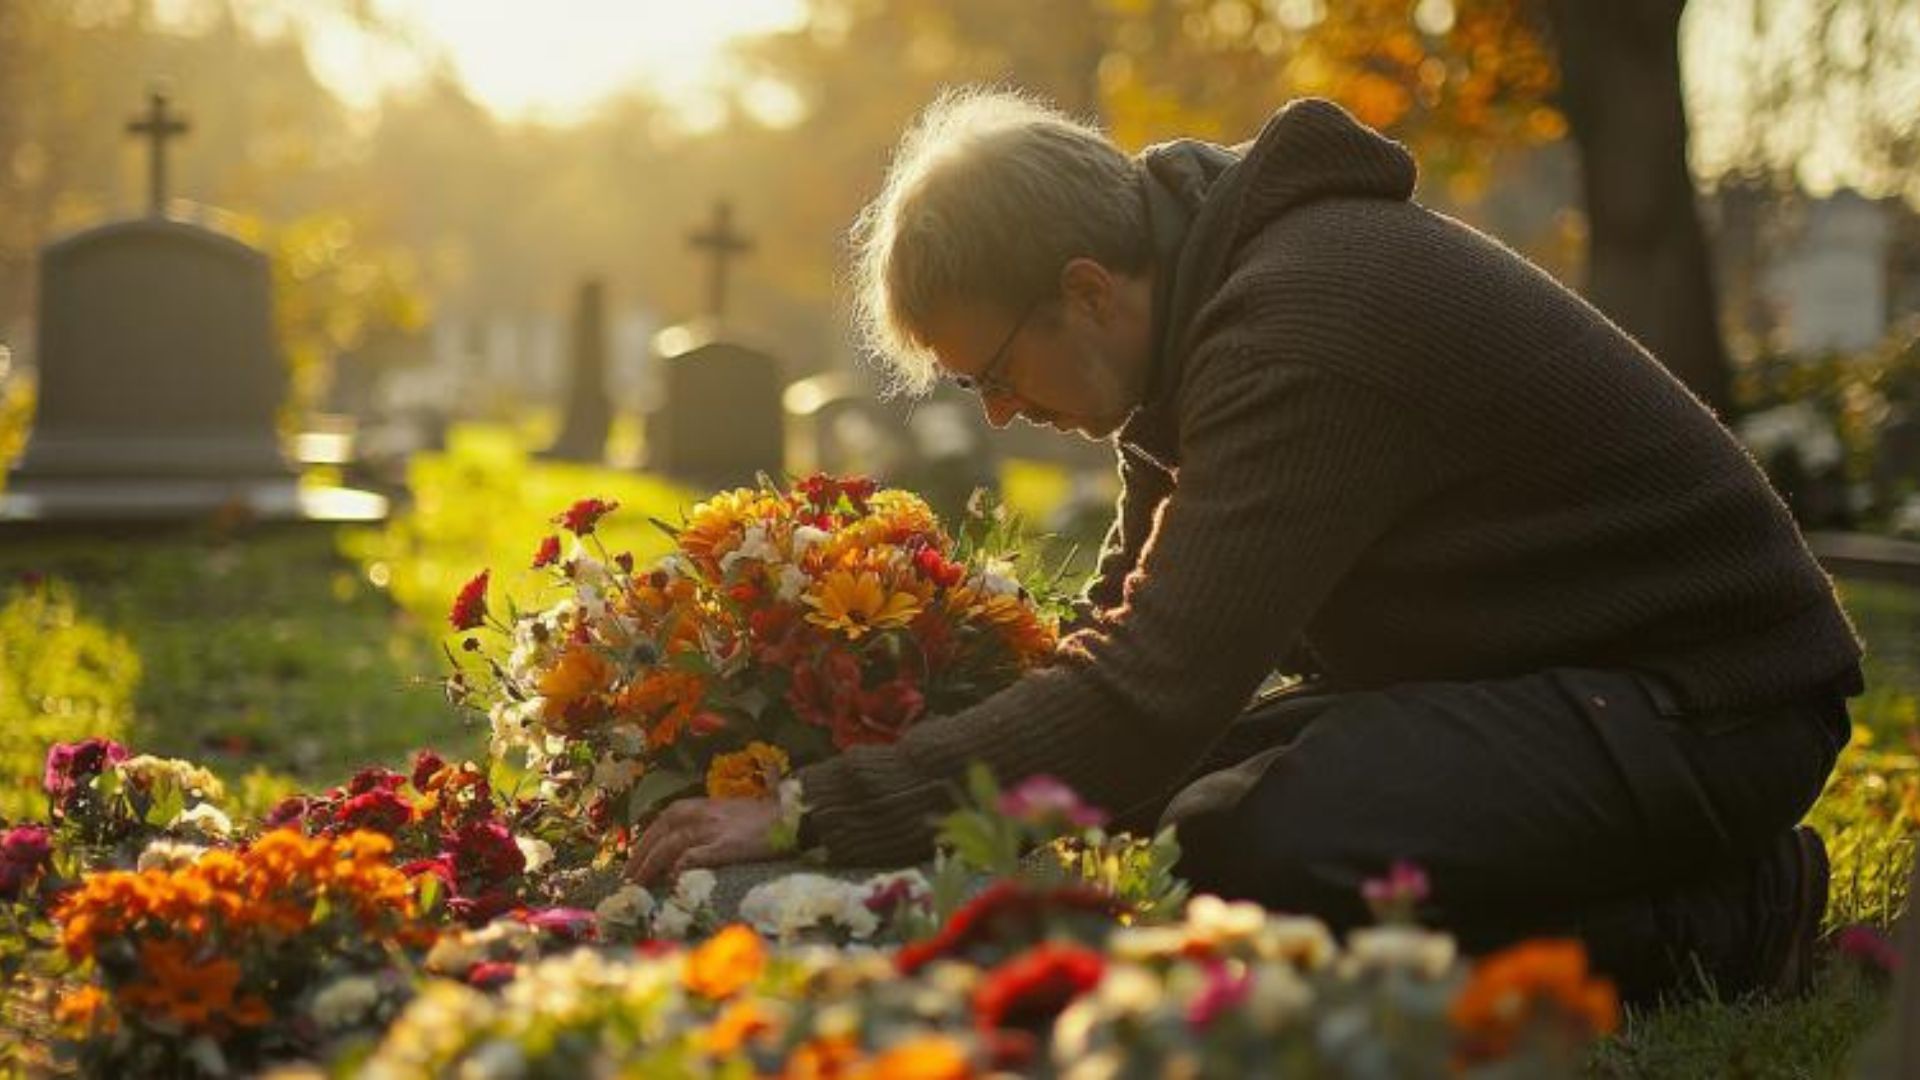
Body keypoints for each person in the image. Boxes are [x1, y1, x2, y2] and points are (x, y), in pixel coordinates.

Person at [628, 89, 1861, 1003]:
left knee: (1254, 854)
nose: (999, 413)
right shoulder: (1191, 326)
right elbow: (1117, 645)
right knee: (1160, 808)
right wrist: (875, 723)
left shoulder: (1296, 327)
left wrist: (809, 814)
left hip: (1706, 704)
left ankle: (1728, 915)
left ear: (1089, 292)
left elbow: (1147, 692)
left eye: (996, 372)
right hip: (1540, 678)